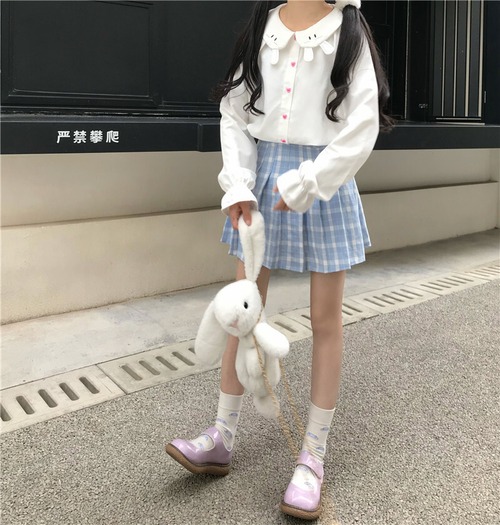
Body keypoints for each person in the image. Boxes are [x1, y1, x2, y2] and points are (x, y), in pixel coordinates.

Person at [166, 0, 394, 520]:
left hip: (325, 181)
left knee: (326, 321)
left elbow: (362, 123)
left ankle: (312, 456)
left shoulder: (347, 30)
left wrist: (312, 181)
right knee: (241, 310)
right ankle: (221, 435)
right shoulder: (263, 25)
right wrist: (238, 184)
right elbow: (235, 112)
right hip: (263, 178)